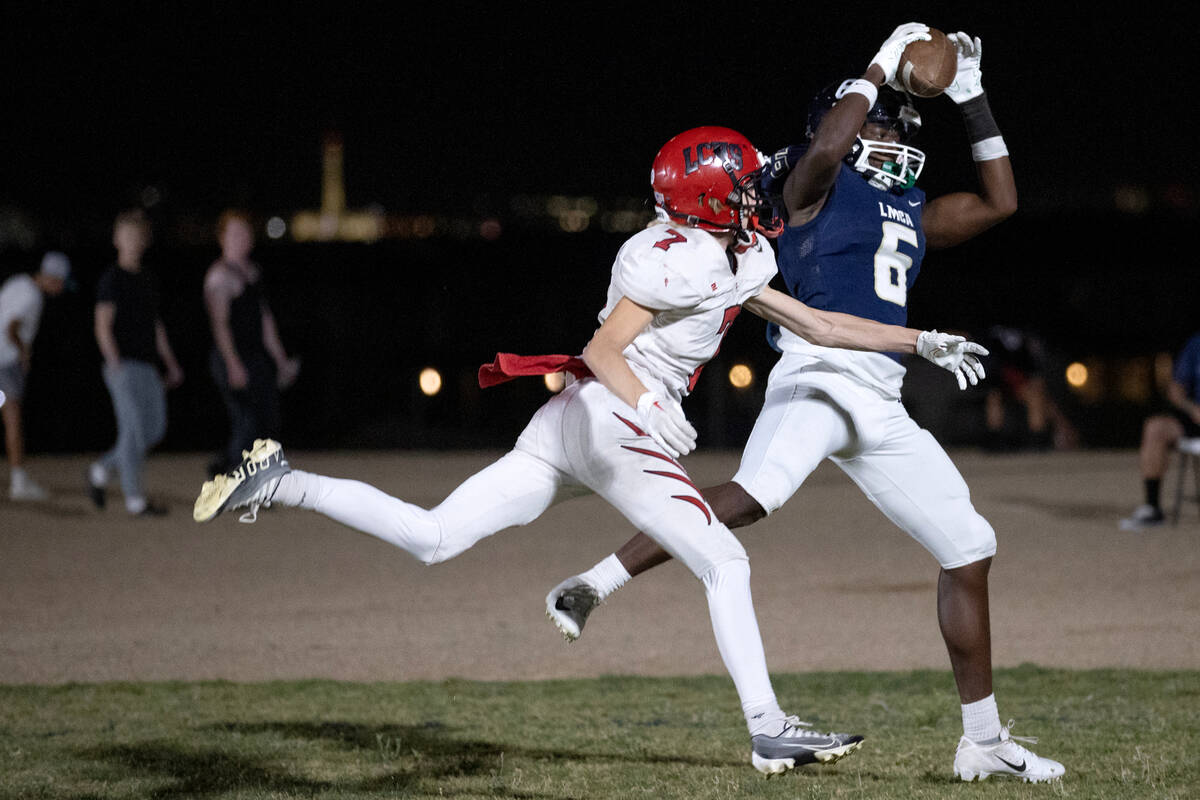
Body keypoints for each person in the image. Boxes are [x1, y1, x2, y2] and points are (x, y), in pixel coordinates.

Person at [192, 125, 986, 775]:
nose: (756, 191)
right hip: (612, 419)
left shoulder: (732, 251)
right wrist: (650, 409)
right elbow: (605, 347)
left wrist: (921, 340)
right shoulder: (676, 255)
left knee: (434, 537)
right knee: (726, 561)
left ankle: (281, 481)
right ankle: (769, 726)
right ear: (709, 199)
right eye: (741, 183)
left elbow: (820, 324)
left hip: (571, 422)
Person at [545, 25, 1065, 784]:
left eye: (898, 122)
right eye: (881, 120)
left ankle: (982, 740)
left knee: (969, 546)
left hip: (882, 397)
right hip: (818, 371)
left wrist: (972, 97)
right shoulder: (810, 189)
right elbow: (824, 151)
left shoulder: (911, 208)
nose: (893, 131)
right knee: (755, 497)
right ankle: (597, 580)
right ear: (845, 123)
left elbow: (1001, 201)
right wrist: (879, 66)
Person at [87, 209, 185, 516]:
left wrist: (170, 362)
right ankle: (135, 501)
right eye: (126, 236)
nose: (132, 242)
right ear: (116, 239)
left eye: (137, 237)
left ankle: (101, 470)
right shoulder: (111, 279)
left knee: (153, 430)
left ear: (145, 242)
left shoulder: (147, 280)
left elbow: (155, 326)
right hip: (122, 365)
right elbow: (102, 324)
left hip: (148, 365)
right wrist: (114, 360)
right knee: (132, 432)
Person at [203, 209, 300, 476]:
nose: (241, 238)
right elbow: (219, 324)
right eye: (234, 233)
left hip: (256, 356)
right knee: (246, 423)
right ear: (222, 238)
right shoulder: (219, 277)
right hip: (231, 357)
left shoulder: (253, 272)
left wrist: (280, 360)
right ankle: (226, 474)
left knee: (267, 422)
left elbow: (265, 321)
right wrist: (232, 364)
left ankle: (253, 481)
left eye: (245, 233)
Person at [0, 251, 70, 500]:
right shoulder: (32, 296)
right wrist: (24, 352)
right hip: (5, 363)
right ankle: (18, 482)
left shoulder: (18, 282)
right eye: (61, 283)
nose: (61, 289)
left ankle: (19, 479)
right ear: (53, 278)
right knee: (12, 418)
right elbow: (11, 327)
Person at [1119, 330, 1200, 530]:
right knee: (1155, 428)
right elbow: (1176, 389)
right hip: (1196, 419)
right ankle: (1152, 508)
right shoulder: (1196, 344)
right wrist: (1192, 408)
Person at [979, 324, 1078, 452]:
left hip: (1023, 382)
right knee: (994, 397)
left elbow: (1034, 368)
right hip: (998, 381)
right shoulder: (992, 334)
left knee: (1037, 398)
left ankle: (1038, 441)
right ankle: (995, 440)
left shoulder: (1028, 334)